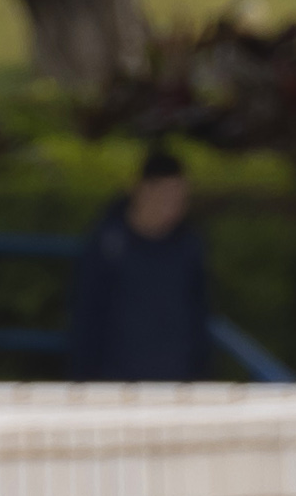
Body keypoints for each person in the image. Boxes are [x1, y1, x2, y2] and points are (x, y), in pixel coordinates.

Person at [67, 147, 222, 382]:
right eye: (165, 199)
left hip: (176, 385)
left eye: (179, 200)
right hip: (115, 385)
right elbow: (86, 318)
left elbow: (198, 316)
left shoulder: (189, 246)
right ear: (142, 190)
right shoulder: (106, 244)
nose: (173, 209)